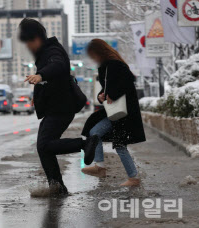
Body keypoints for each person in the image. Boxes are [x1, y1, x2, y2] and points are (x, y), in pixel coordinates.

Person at [19, 18, 98, 195]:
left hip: (61, 108)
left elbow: (58, 66)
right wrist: (38, 95)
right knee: (44, 147)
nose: (28, 47)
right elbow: (52, 80)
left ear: (37, 38)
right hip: (57, 107)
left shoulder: (52, 50)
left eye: (29, 42)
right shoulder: (45, 52)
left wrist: (40, 75)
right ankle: (57, 187)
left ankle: (84, 145)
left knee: (44, 145)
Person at [81, 39, 146, 187]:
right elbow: (109, 86)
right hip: (114, 111)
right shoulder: (106, 66)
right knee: (95, 132)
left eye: (93, 55)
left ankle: (134, 178)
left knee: (120, 145)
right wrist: (102, 94)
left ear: (100, 52)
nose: (93, 58)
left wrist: (112, 94)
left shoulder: (115, 64)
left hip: (124, 113)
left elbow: (128, 81)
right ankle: (100, 167)